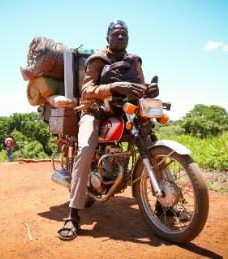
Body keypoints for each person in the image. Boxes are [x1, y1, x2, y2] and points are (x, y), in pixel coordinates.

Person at [57, 20, 159, 240]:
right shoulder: (97, 60)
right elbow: (86, 91)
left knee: (151, 140)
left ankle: (161, 202)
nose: (120, 37)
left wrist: (149, 90)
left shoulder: (134, 61)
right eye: (116, 34)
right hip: (95, 110)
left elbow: (140, 87)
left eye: (124, 34)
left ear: (128, 38)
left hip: (126, 110)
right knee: (85, 149)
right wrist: (113, 87)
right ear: (108, 38)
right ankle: (72, 216)